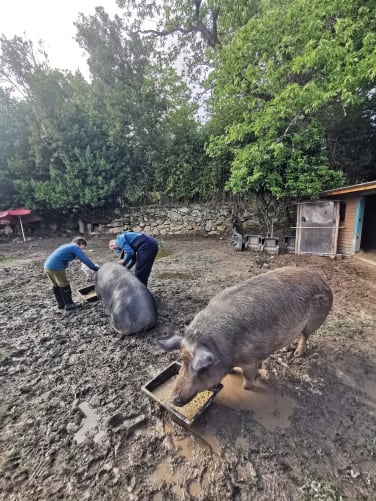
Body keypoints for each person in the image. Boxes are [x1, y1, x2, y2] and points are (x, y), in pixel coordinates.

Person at [44, 236, 100, 311]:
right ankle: (69, 304)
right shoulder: (75, 247)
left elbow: (66, 255)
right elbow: (84, 259)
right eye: (83, 247)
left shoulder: (67, 246)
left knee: (56, 285)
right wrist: (95, 268)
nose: (82, 249)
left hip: (48, 266)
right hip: (56, 267)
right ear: (80, 243)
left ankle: (61, 304)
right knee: (64, 285)